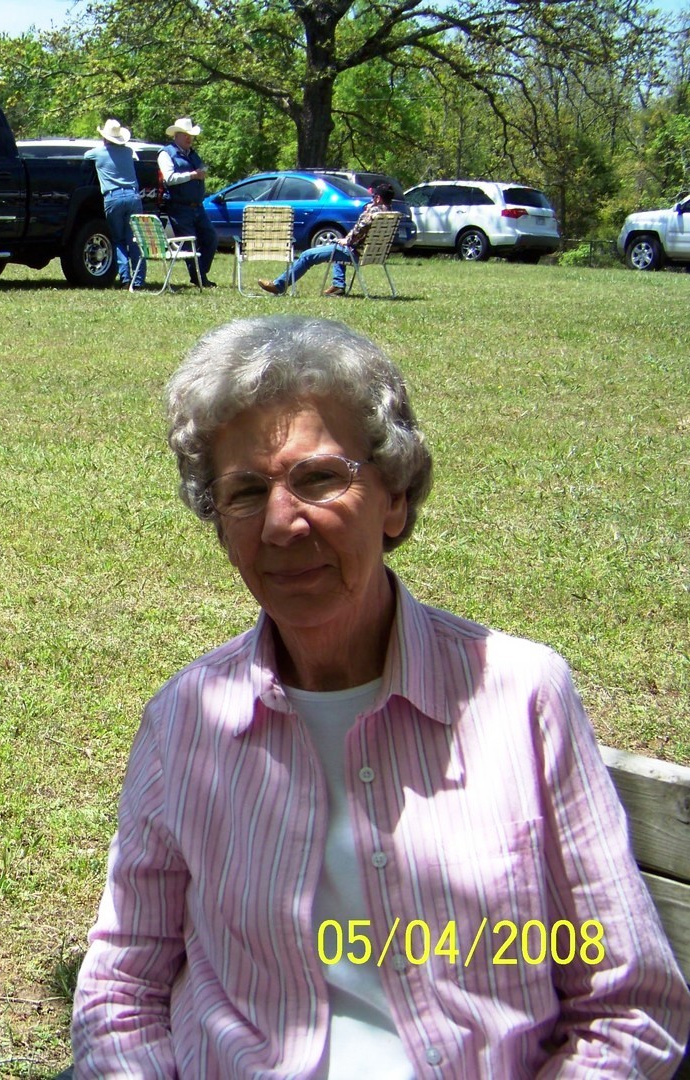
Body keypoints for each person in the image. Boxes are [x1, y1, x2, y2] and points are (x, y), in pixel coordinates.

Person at [72, 315, 690, 1077]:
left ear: (394, 497)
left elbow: (627, 1008)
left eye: (319, 478)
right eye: (246, 492)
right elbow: (122, 986)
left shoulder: (522, 698)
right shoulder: (185, 722)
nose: (282, 522)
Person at [260, 183, 396, 297]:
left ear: (378, 198)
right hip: (372, 254)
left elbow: (359, 231)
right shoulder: (391, 214)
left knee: (307, 255)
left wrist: (347, 240)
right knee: (337, 244)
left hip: (354, 253)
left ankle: (279, 286)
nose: (371, 200)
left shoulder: (373, 213)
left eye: (373, 197)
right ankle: (338, 286)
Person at [85, 118, 146, 289]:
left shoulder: (97, 153)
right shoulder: (128, 152)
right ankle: (139, 280)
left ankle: (125, 279)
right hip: (133, 196)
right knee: (134, 239)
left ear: (104, 137)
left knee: (118, 239)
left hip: (113, 197)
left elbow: (85, 157)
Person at [158, 118, 217, 287]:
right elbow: (169, 178)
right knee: (190, 243)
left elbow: (201, 170)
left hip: (198, 207)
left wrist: (202, 172)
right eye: (185, 134)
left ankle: (200, 274)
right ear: (176, 135)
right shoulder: (166, 153)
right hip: (179, 208)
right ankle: (199, 278)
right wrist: (192, 175)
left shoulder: (192, 154)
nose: (189, 138)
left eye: (190, 135)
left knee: (211, 238)